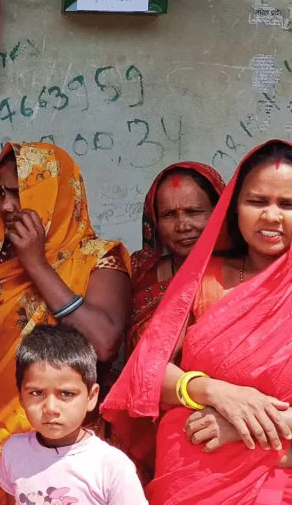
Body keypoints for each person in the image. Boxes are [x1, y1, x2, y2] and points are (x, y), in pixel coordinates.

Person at [102, 140, 292, 505]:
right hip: (194, 473)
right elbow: (148, 370)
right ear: (234, 207)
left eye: (288, 204)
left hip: (287, 484)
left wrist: (254, 426)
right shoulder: (201, 276)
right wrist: (218, 393)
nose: (271, 216)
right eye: (257, 201)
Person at [0, 143, 132, 505]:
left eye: (20, 192)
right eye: (0, 192)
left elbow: (104, 342)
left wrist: (37, 264)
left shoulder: (97, 258)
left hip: (60, 441)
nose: (7, 205)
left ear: (55, 194)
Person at [115, 162, 225, 482]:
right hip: (139, 419)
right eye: (169, 215)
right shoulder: (139, 271)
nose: (182, 225)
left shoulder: (240, 275)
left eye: (194, 212)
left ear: (219, 212)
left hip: (210, 418)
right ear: (154, 221)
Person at [0, 324, 147, 505]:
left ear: (91, 397)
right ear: (21, 397)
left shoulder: (111, 467)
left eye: (66, 394)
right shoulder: (14, 451)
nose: (51, 408)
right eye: (37, 393)